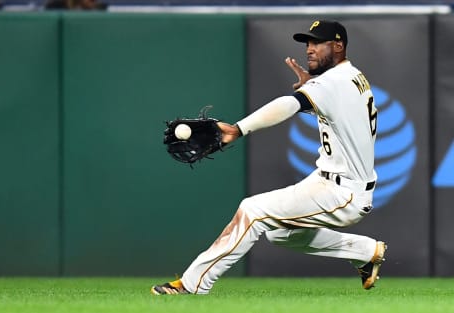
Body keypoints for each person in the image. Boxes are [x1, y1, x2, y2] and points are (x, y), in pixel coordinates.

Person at [151, 20, 386, 295]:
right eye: (307, 43)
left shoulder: (333, 82)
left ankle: (192, 285)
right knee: (279, 232)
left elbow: (289, 103)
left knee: (253, 210)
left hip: (344, 191)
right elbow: (341, 109)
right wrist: (313, 89)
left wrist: (239, 129)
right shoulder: (350, 76)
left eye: (317, 43)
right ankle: (366, 251)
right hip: (332, 181)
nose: (309, 49)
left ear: (338, 45)